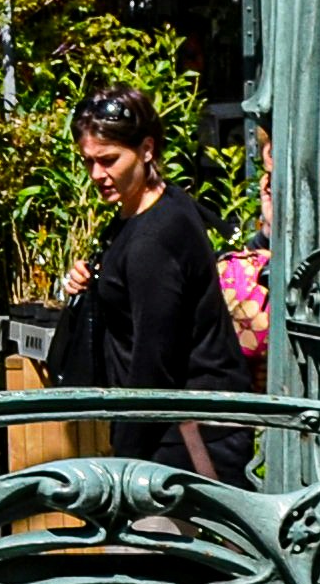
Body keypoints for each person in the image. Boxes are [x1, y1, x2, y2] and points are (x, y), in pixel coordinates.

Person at [50, 81, 248, 478]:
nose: (97, 174)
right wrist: (91, 284)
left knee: (143, 543)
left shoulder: (154, 239)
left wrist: (126, 459)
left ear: (146, 149)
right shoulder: (158, 207)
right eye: (88, 161)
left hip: (183, 444)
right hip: (182, 432)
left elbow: (154, 362)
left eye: (108, 160)